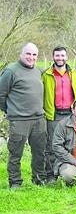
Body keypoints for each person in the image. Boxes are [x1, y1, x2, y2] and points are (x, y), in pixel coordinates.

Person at [0, 43, 48, 188]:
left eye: (34, 55)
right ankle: (15, 182)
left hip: (39, 119)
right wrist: (11, 111)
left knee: (40, 152)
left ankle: (39, 179)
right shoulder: (11, 71)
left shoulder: (37, 71)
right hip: (19, 120)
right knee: (16, 153)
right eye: (28, 54)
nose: (31, 57)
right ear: (21, 54)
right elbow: (1, 95)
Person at [42, 46, 76, 183]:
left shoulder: (74, 74)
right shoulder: (46, 74)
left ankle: (70, 172)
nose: (60, 58)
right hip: (54, 114)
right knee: (52, 145)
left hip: (71, 114)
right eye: (57, 56)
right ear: (53, 57)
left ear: (67, 57)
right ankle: (50, 175)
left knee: (71, 144)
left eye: (62, 55)